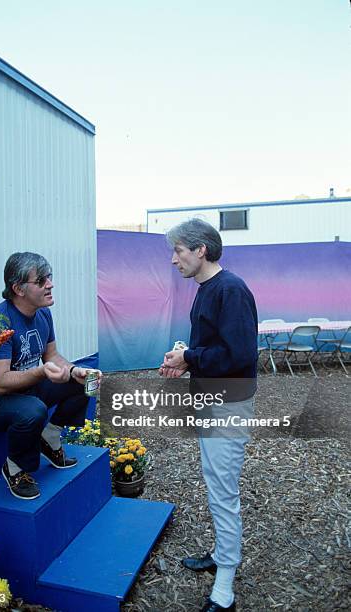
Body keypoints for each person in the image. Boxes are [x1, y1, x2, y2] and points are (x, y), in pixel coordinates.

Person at [160, 219, 258, 612]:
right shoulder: (208, 288)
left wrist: (190, 358)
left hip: (228, 405)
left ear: (201, 250)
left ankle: (225, 588)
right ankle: (221, 554)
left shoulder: (231, 290)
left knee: (223, 492)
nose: (173, 260)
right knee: (216, 484)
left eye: (178, 251)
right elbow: (213, 345)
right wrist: (185, 356)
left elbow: (240, 356)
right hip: (211, 400)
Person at [0, 252, 100, 501]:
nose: (50, 284)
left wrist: (74, 371)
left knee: (86, 383)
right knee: (33, 410)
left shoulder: (43, 313)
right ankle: (14, 468)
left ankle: (49, 438)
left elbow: (52, 357)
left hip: (25, 391)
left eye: (49, 277)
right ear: (18, 288)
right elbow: (1, 382)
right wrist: (40, 372)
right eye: (41, 281)